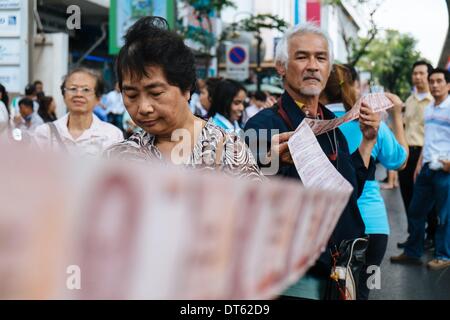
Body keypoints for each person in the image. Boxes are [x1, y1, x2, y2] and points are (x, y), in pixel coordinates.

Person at [244, 23, 382, 299]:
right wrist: (272, 161)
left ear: (329, 68)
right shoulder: (263, 125)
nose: (312, 66)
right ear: (281, 67)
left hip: (342, 267)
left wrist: (368, 141)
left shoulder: (332, 126)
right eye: (301, 57)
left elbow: (350, 187)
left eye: (320, 58)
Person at [104, 16, 262, 180]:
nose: (143, 108)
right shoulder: (119, 158)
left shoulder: (228, 149)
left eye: (156, 93)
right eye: (131, 95)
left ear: (186, 88)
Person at [321, 64, 408, 300]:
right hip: (373, 228)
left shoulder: (311, 125)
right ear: (352, 86)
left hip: (328, 228)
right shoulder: (370, 123)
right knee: (363, 291)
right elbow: (400, 161)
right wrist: (398, 115)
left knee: (328, 292)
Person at [391, 68, 450, 270]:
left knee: (444, 216)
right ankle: (412, 252)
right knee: (416, 211)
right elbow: (428, 140)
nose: (434, 85)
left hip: (445, 170)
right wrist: (418, 164)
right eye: (432, 81)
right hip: (426, 167)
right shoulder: (430, 108)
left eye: (439, 81)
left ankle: (443, 255)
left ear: (448, 85)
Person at [33, 68, 123, 157]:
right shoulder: (45, 133)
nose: (79, 94)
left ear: (98, 98)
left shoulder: (112, 135)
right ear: (64, 95)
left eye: (86, 90)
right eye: (73, 89)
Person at [397, 61, 436, 249]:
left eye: (421, 73)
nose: (418, 77)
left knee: (428, 199)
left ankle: (432, 236)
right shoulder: (409, 100)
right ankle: (414, 236)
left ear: (429, 76)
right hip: (407, 152)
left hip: (425, 153)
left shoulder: (435, 101)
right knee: (407, 197)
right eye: (415, 73)